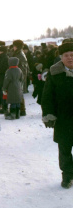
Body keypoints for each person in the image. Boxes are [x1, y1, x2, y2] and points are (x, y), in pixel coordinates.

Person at [41, 39, 73, 188]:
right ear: (61, 57)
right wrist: (48, 114)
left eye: (72, 54)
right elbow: (47, 97)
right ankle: (67, 176)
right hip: (63, 119)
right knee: (65, 149)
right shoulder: (55, 73)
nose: (70, 57)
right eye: (66, 55)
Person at [12, 40, 29, 116]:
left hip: (19, 77)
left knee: (18, 93)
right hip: (19, 76)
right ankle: (21, 110)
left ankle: (21, 110)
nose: (13, 47)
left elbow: (21, 68)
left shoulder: (19, 55)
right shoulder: (19, 53)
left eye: (14, 46)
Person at [0, 41, 9, 114]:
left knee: (3, 92)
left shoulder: (4, 58)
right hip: (0, 76)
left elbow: (3, 68)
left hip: (2, 77)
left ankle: (4, 107)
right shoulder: (1, 57)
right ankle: (2, 106)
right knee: (1, 92)